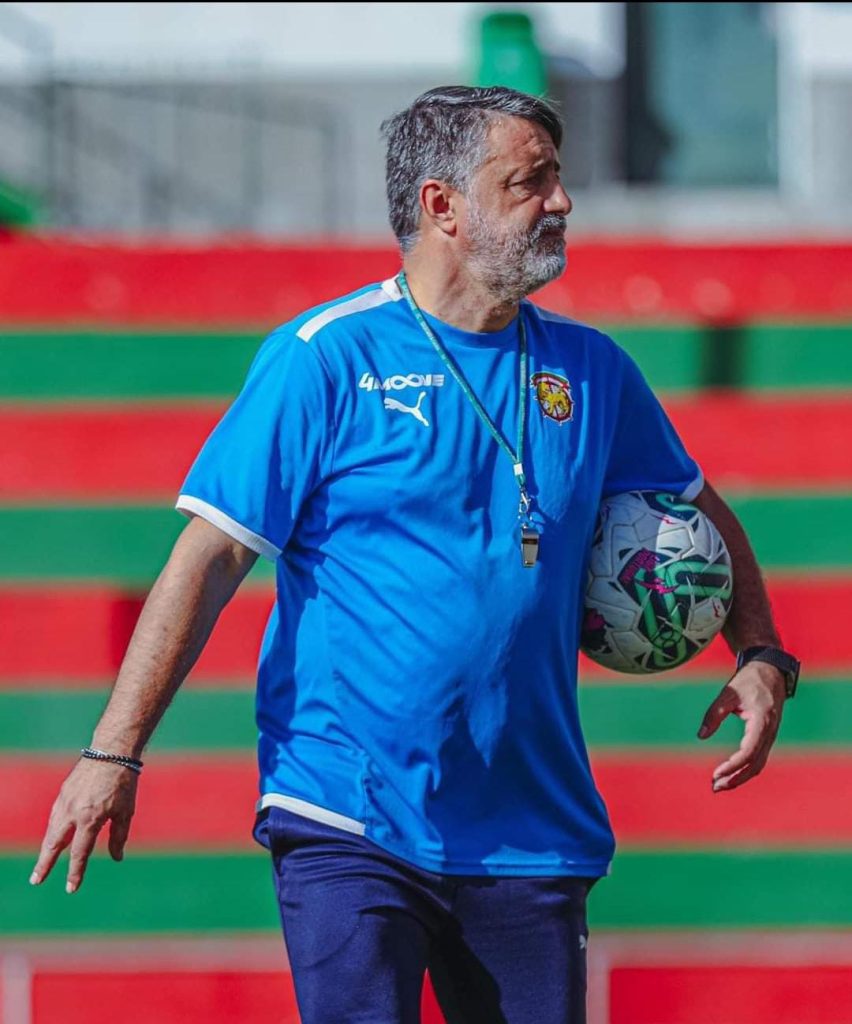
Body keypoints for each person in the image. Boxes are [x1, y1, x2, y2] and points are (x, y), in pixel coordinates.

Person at [31, 86, 799, 1024]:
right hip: (346, 814)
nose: (561, 202)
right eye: (530, 181)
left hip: (530, 830)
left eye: (558, 178)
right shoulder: (325, 358)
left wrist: (762, 652)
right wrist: (113, 752)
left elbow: (700, 509)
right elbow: (208, 560)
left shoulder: (594, 371)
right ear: (443, 205)